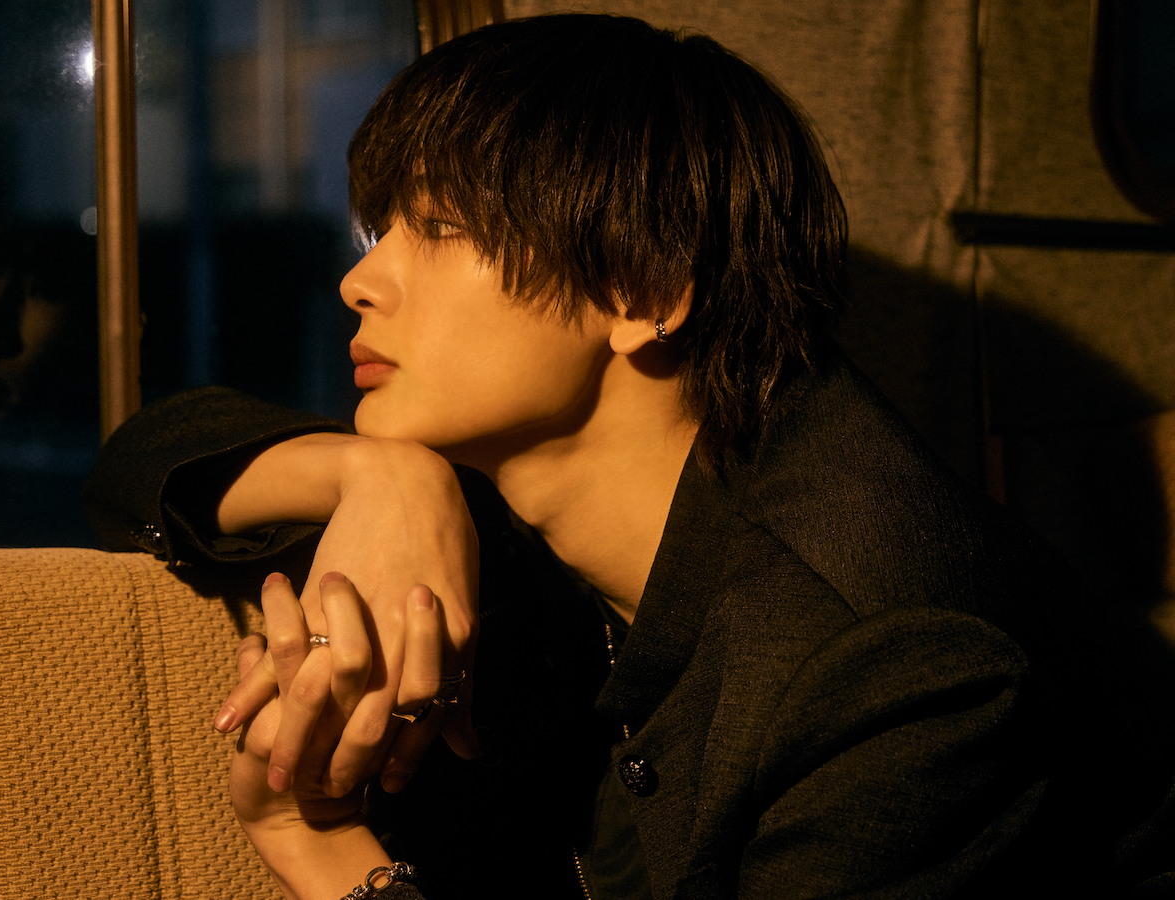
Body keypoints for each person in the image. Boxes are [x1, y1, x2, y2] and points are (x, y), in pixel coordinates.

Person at [83, 13, 1170, 900]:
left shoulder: (897, 665)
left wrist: (323, 851)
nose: (358, 282)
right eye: (382, 231)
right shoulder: (523, 485)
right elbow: (138, 460)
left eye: (439, 227)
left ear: (645, 292)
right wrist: (380, 478)